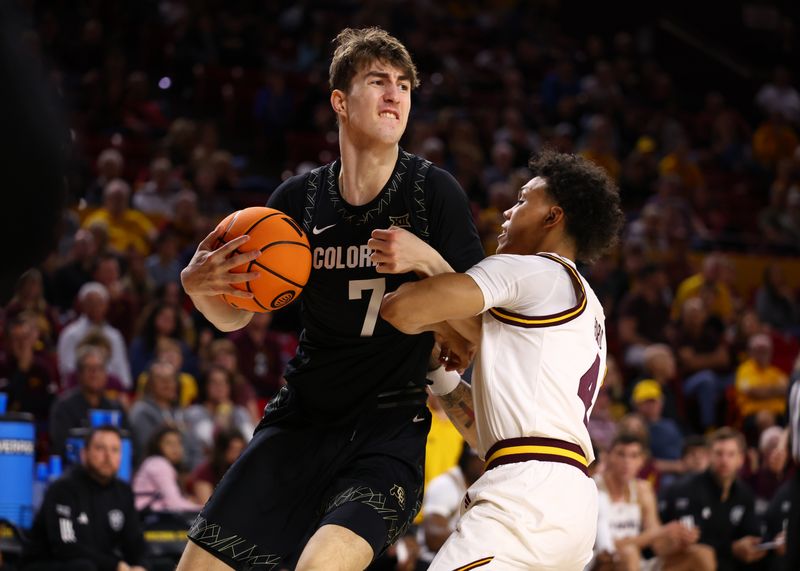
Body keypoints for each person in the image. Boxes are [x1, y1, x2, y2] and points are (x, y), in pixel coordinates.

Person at [177, 27, 483, 571]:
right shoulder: (295, 201)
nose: (395, 95)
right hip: (301, 419)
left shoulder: (433, 193)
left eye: (404, 85)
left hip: (387, 433)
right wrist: (200, 290)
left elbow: (476, 327)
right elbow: (235, 317)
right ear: (340, 101)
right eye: (378, 81)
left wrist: (426, 261)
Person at [381, 149, 624, 569]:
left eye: (523, 199)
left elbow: (401, 309)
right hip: (569, 501)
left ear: (553, 217)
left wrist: (421, 257)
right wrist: (440, 373)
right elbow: (485, 435)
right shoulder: (588, 308)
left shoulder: (528, 271)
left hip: (525, 497)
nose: (508, 211)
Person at [20, 426, 147, 571]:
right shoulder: (63, 489)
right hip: (48, 564)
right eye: (100, 448)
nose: (107, 456)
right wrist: (114, 565)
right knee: (84, 568)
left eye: (114, 450)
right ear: (84, 454)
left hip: (98, 565)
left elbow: (135, 543)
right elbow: (65, 547)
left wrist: (141, 566)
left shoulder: (123, 491)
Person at [591, 433, 714, 571]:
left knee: (703, 554)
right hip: (599, 561)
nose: (627, 461)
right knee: (629, 553)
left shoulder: (643, 490)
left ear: (642, 461)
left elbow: (657, 546)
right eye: (621, 454)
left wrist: (678, 542)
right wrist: (661, 531)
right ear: (609, 457)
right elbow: (606, 547)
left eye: (634, 456)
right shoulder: (593, 486)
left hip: (634, 561)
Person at [660, 427, 778, 571]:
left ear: (740, 459)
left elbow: (752, 531)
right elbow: (694, 541)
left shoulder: (744, 493)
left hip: (728, 562)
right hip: (690, 561)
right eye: (719, 454)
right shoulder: (688, 489)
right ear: (709, 456)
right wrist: (732, 548)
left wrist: (766, 543)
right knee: (704, 557)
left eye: (730, 454)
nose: (724, 460)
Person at [418, 443, 483, 567]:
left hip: (458, 560)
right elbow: (433, 537)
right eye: (479, 458)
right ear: (466, 458)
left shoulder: (480, 485)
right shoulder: (446, 484)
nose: (484, 464)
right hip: (430, 562)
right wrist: (477, 543)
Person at [132, 425, 203, 512]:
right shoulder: (158, 464)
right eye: (169, 443)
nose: (175, 448)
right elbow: (174, 503)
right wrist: (203, 510)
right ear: (157, 446)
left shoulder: (156, 463)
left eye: (178, 443)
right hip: (145, 518)